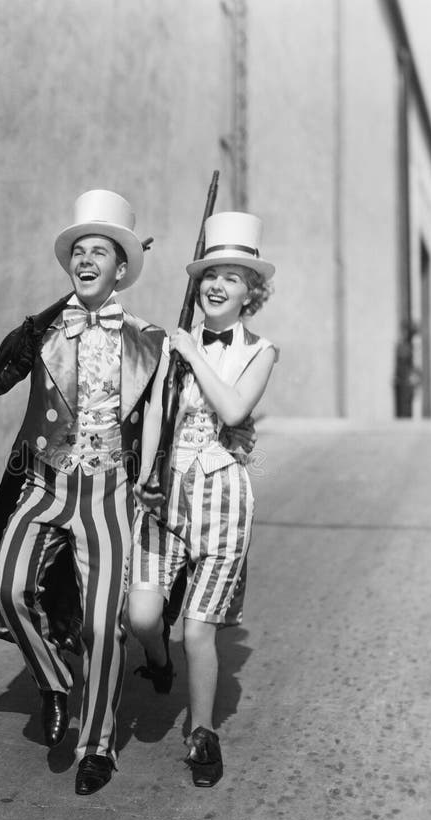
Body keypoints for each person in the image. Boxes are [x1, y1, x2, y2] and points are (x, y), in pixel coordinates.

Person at [0, 190, 167, 795]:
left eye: (100, 252)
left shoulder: (150, 341)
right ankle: (54, 679)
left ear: (121, 268)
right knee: (7, 587)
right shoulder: (43, 330)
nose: (86, 260)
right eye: (78, 251)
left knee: (102, 626)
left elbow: (167, 419)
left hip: (111, 493)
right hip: (44, 482)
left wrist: (160, 481)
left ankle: (97, 747)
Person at [127, 210, 279, 788]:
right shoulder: (174, 345)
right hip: (165, 494)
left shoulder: (261, 351)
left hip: (223, 499)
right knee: (142, 615)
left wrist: (191, 352)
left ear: (251, 293)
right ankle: (157, 664)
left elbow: (235, 411)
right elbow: (157, 416)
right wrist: (145, 472)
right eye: (210, 273)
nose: (217, 284)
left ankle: (202, 733)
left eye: (233, 277)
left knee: (197, 630)